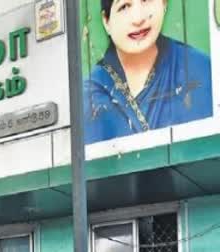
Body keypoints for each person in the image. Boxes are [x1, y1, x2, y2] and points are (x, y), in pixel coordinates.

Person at [84, 0, 213, 144]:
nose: (138, 19)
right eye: (124, 7)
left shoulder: (202, 71)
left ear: (164, 3)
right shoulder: (89, 95)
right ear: (106, 21)